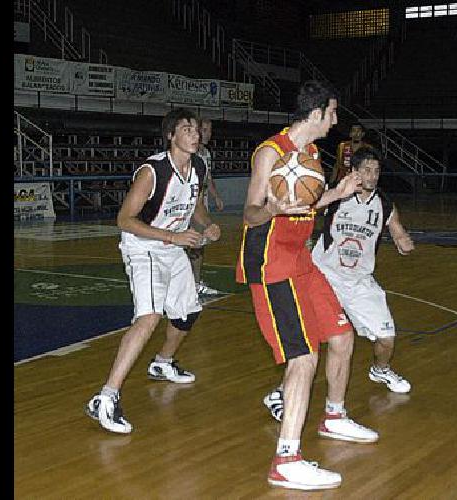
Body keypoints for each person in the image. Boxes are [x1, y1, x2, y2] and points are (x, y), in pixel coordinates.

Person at [236, 80, 374, 491]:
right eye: (332, 113)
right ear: (315, 114)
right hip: (271, 263)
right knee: (303, 357)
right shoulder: (270, 152)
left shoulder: (312, 153)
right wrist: (271, 209)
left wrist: (338, 192)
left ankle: (333, 415)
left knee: (343, 335)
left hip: (302, 261)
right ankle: (286, 459)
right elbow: (249, 212)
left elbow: (307, 201)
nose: (335, 120)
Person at [85, 108, 221, 434]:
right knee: (149, 317)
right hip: (143, 247)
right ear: (171, 135)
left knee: (188, 312)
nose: (195, 133)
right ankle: (105, 397)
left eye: (196, 129)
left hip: (171, 248)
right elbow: (124, 219)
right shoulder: (153, 170)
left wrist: (208, 224)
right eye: (186, 128)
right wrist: (173, 236)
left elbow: (194, 205)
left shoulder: (198, 167)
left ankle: (162, 363)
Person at [313, 147, 415, 393]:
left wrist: (403, 242)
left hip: (359, 281)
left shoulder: (385, 204)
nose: (372, 175)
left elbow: (398, 230)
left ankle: (379, 370)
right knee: (309, 338)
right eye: (367, 170)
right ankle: (284, 391)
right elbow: (308, 209)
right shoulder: (337, 195)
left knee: (386, 338)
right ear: (354, 171)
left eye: (377, 171)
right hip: (325, 276)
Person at [186, 118, 225, 296]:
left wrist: (216, 196)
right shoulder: (190, 153)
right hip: (190, 207)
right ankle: (190, 284)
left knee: (198, 246)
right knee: (193, 245)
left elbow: (208, 178)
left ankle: (194, 283)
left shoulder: (206, 153)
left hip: (202, 204)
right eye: (205, 129)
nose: (208, 133)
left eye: (210, 130)